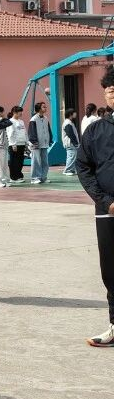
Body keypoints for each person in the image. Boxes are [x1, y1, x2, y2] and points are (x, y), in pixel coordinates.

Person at [76, 69, 114, 347]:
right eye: (110, 90)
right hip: (108, 209)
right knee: (111, 269)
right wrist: (105, 201)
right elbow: (84, 167)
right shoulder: (95, 130)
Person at [28, 101, 52, 185]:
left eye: (45, 106)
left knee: (45, 162)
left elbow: (48, 130)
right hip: (36, 144)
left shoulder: (46, 118)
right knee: (36, 161)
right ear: (39, 109)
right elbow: (31, 132)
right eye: (43, 107)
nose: (45, 108)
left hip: (44, 143)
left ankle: (43, 177)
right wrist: (34, 142)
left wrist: (50, 139)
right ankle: (35, 178)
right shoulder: (33, 119)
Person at [8, 106, 28, 183]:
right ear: (14, 112)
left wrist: (26, 142)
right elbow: (10, 134)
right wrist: (13, 144)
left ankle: (19, 175)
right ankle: (13, 177)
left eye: (21, 111)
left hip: (21, 143)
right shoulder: (10, 121)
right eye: (20, 111)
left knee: (20, 161)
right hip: (14, 144)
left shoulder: (21, 121)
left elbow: (24, 132)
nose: (21, 113)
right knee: (14, 161)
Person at [63, 108, 81, 176]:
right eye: (74, 113)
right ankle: (68, 170)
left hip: (71, 143)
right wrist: (75, 143)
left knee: (73, 156)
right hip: (70, 143)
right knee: (71, 156)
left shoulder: (70, 122)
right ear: (70, 114)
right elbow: (70, 134)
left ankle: (72, 169)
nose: (75, 114)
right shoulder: (67, 123)